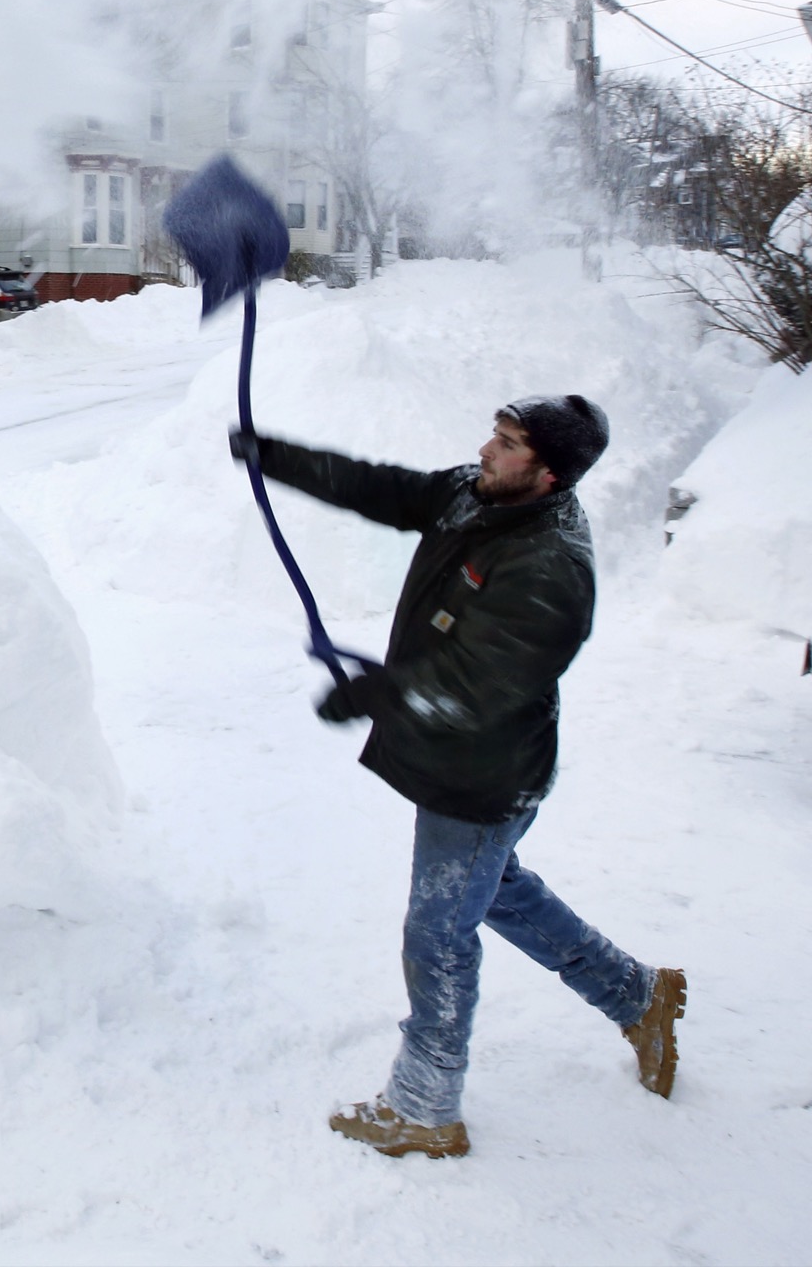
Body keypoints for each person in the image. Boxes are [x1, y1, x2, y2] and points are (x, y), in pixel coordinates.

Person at [228, 395, 682, 1160]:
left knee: (439, 929)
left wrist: (379, 692)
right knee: (498, 891)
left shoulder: (550, 568)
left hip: (486, 773)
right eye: (495, 436)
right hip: (460, 758)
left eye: (506, 445)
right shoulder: (478, 498)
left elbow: (476, 690)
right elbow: (387, 488)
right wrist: (277, 457)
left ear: (547, 476)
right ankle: (636, 995)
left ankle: (425, 1103)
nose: (485, 450)